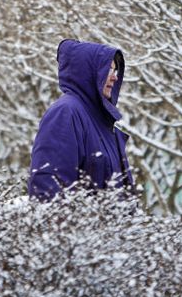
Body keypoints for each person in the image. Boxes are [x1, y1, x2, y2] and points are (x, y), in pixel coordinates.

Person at [28, 39, 134, 201]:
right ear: (88, 72)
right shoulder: (66, 113)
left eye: (115, 71)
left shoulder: (101, 123)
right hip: (82, 226)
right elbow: (49, 186)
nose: (114, 78)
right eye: (108, 70)